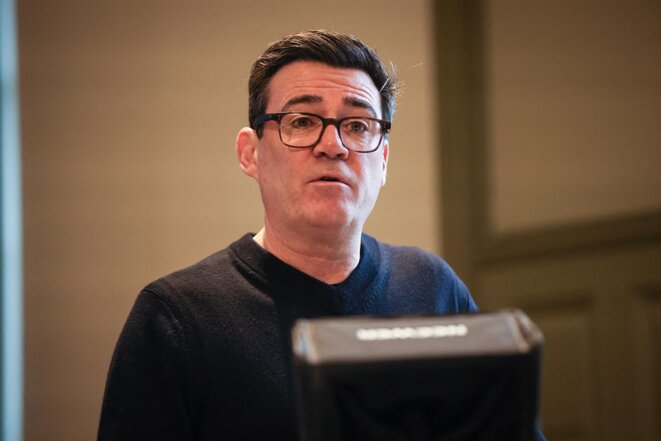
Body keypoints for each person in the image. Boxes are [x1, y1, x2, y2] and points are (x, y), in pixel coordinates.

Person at [98, 30, 501, 440]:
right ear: (250, 153)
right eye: (303, 121)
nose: (333, 145)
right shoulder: (176, 318)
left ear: (383, 160)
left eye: (358, 125)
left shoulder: (432, 288)